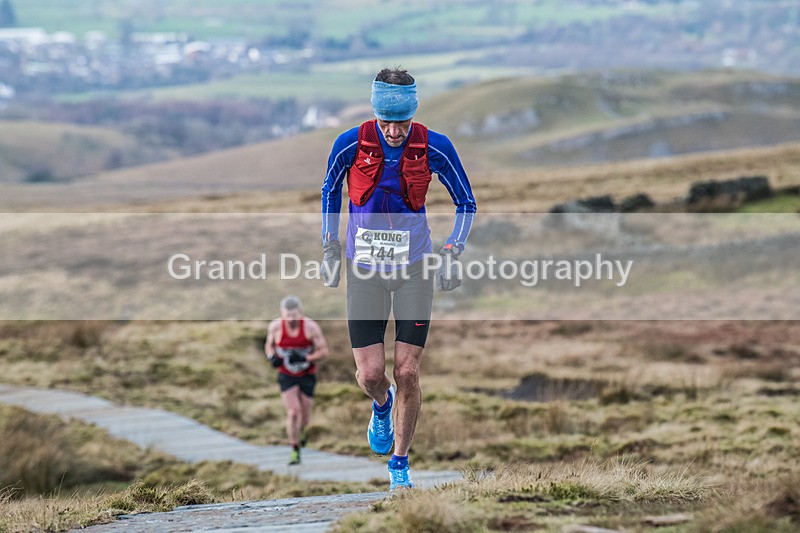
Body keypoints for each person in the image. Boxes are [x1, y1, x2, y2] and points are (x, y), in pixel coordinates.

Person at [320, 68, 476, 490]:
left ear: (413, 115)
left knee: (407, 371)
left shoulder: (435, 146)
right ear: (375, 114)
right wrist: (330, 245)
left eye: (401, 123)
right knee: (372, 375)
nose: (392, 131)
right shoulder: (350, 143)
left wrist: (452, 251)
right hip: (364, 271)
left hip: (415, 270)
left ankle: (399, 467)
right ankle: (382, 407)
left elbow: (466, 202)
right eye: (386, 122)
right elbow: (330, 190)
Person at [264, 295, 329, 465]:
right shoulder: (275, 326)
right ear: (282, 313)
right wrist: (272, 357)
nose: (291, 319)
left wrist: (306, 358)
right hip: (286, 374)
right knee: (293, 413)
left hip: (307, 374)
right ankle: (294, 449)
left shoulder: (311, 327)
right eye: (288, 316)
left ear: (300, 313)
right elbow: (269, 345)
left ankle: (302, 433)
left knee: (305, 418)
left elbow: (323, 351)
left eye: (295, 315)